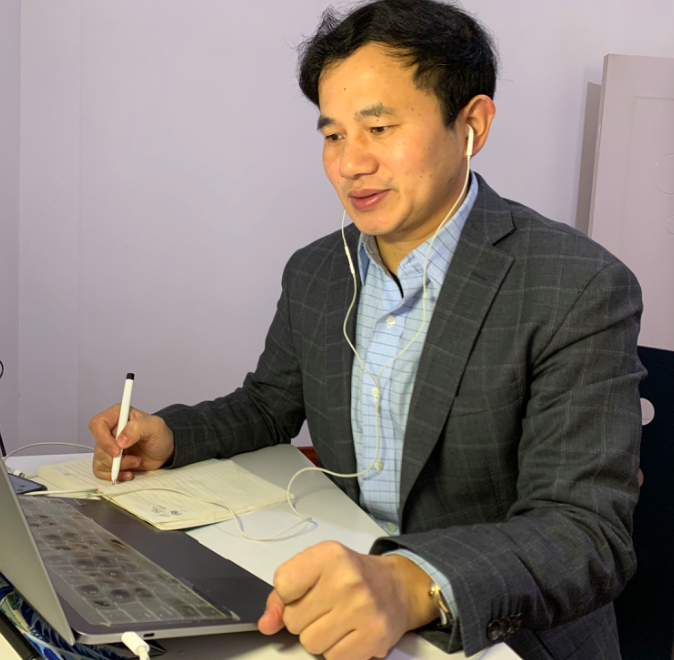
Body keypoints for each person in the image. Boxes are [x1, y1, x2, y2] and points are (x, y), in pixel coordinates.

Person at [89, 1, 645, 658]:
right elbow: (268, 404)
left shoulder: (575, 285)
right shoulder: (318, 270)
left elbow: (585, 533)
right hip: (341, 595)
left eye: (378, 128)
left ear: (471, 125)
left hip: (502, 632)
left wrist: (410, 581)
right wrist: (172, 436)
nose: (350, 163)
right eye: (333, 135)